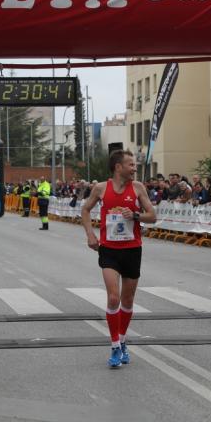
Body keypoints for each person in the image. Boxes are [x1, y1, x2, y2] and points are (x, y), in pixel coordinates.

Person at [81, 149, 156, 368]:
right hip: (109, 250)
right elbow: (85, 211)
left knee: (128, 301)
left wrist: (134, 215)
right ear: (118, 167)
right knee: (113, 298)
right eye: (131, 164)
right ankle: (114, 346)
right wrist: (90, 235)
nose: (135, 168)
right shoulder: (101, 188)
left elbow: (152, 216)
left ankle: (123, 340)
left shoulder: (138, 188)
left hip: (132, 249)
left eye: (134, 165)